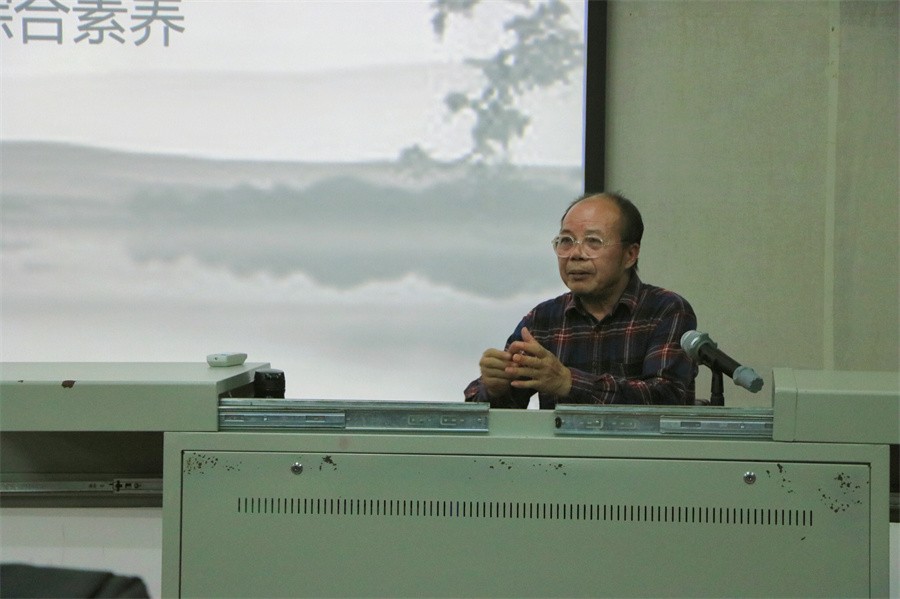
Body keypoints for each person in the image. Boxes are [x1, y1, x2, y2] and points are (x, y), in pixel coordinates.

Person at [464, 192, 698, 408]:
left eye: (593, 241)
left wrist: (568, 382)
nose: (575, 254)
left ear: (630, 255)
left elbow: (667, 398)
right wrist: (495, 389)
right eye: (566, 241)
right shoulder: (543, 320)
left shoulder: (666, 310)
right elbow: (484, 412)